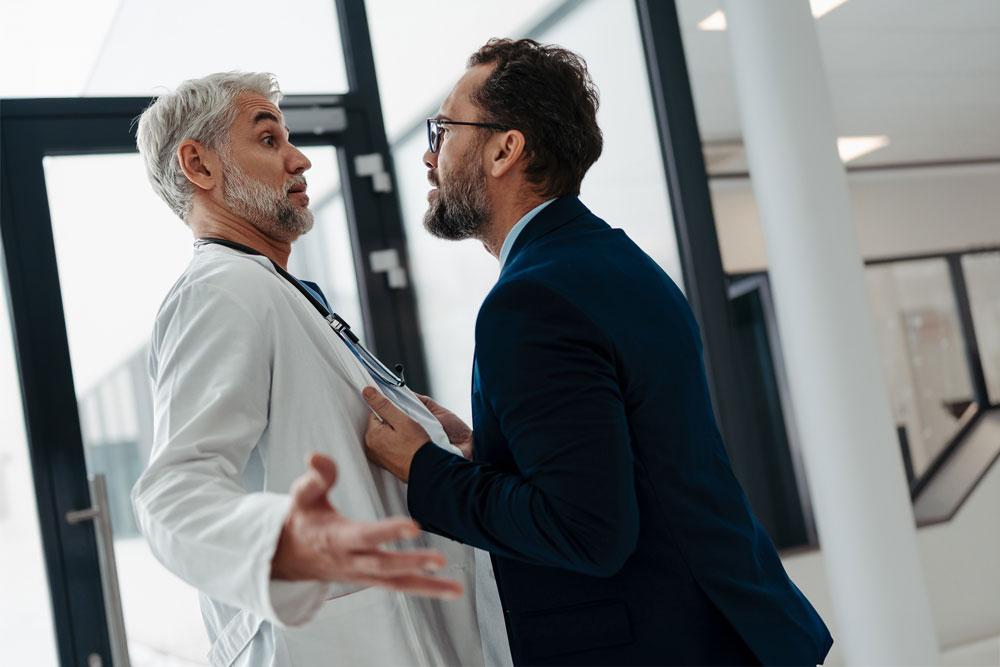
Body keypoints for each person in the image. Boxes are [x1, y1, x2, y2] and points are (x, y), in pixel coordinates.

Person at [362, 39, 834, 666]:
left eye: (444, 130)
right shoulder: (616, 262)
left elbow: (587, 530)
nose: (430, 155)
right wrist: (486, 451)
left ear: (505, 149)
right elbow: (632, 459)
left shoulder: (531, 301)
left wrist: (425, 470)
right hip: (731, 632)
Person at [131, 72, 509, 666]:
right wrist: (280, 544)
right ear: (198, 165)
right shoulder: (221, 292)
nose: (300, 159)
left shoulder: (274, 289)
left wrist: (439, 444)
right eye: (269, 140)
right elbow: (172, 495)